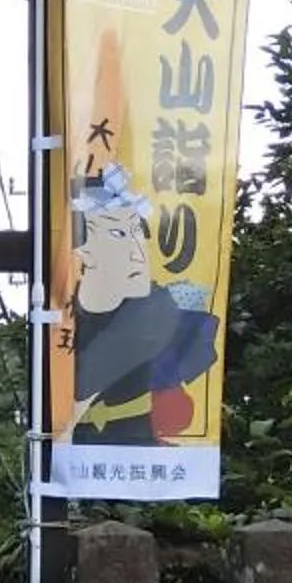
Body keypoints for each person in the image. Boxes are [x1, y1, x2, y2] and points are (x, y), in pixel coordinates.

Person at [66, 165, 218, 444]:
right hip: (73, 452)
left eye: (137, 232)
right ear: (83, 250)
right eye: (118, 235)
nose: (138, 253)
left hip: (132, 450)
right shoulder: (63, 304)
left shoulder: (154, 306)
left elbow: (88, 378)